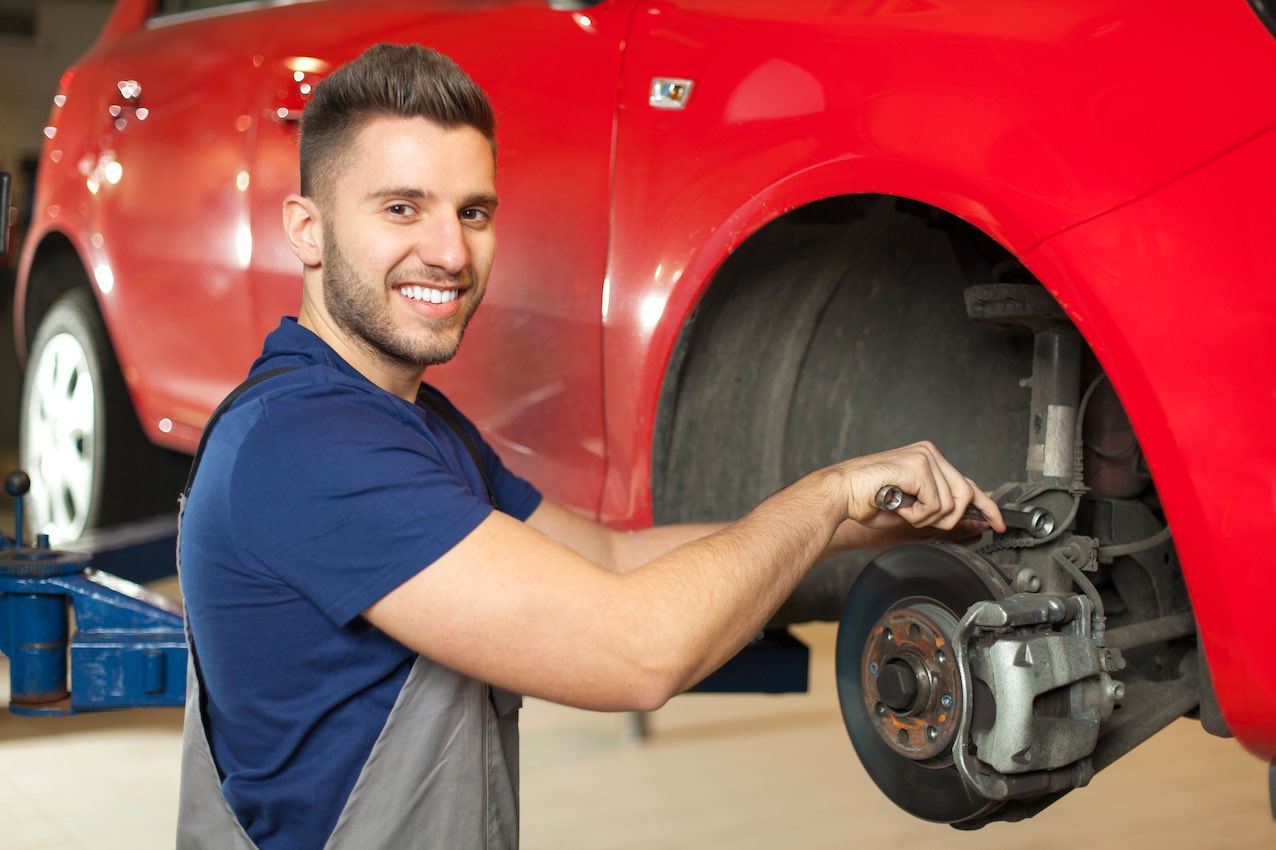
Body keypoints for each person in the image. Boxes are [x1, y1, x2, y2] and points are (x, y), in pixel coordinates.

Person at [176, 43, 1004, 850]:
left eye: (473, 212)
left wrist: (866, 520)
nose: (450, 252)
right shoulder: (306, 445)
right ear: (307, 230)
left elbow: (613, 559)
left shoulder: (414, 426)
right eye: (402, 208)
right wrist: (825, 494)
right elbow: (635, 651)